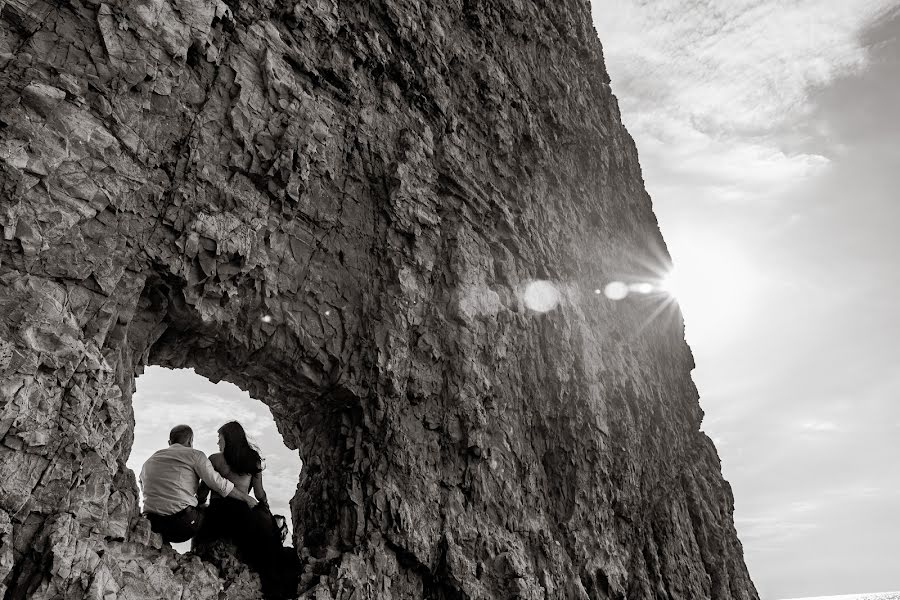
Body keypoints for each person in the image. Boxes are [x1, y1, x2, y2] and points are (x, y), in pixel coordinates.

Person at [200, 421, 299, 599]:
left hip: (218, 514)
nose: (218, 443)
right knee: (267, 544)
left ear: (227, 440)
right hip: (244, 513)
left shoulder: (214, 459)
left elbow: (202, 493)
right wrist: (265, 506)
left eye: (219, 438)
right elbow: (260, 493)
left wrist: (200, 505)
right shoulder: (253, 460)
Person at [140, 424, 258, 544]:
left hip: (152, 524)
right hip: (182, 525)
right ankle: (201, 552)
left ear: (169, 442)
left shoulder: (149, 461)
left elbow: (143, 487)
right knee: (208, 513)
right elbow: (218, 484)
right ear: (190, 441)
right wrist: (246, 498)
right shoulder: (195, 456)